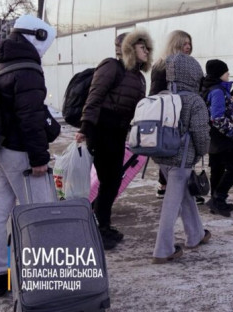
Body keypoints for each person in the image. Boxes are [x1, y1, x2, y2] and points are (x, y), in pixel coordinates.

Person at [0, 14, 58, 298]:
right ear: (37, 37)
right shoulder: (28, 70)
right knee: (38, 214)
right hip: (19, 153)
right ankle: (39, 278)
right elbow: (30, 118)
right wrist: (39, 158)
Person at [76, 29, 153, 249]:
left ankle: (103, 225)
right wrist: (85, 127)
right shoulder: (111, 66)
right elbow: (95, 96)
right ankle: (99, 229)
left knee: (112, 182)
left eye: (147, 48)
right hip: (102, 130)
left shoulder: (138, 77)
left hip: (118, 133)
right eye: (142, 47)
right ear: (129, 49)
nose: (146, 51)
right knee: (108, 180)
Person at [152, 53, 211, 263]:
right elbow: (201, 134)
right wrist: (202, 151)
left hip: (162, 156)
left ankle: (196, 234)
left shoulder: (162, 95)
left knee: (185, 195)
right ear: (193, 75)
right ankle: (163, 250)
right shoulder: (194, 100)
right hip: (182, 159)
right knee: (172, 203)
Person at [149, 30, 199, 201]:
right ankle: (169, 187)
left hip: (187, 115)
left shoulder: (190, 65)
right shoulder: (161, 66)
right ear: (175, 44)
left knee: (185, 153)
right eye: (184, 43)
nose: (188, 46)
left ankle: (175, 187)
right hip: (170, 117)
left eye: (189, 43)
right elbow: (155, 94)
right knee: (173, 153)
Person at [201, 59, 233, 217]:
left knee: (217, 169)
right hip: (222, 137)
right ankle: (219, 198)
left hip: (212, 137)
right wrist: (232, 132)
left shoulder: (210, 88)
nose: (228, 73)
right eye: (226, 71)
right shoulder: (218, 91)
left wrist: (231, 102)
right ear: (219, 74)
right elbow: (217, 118)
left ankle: (215, 201)